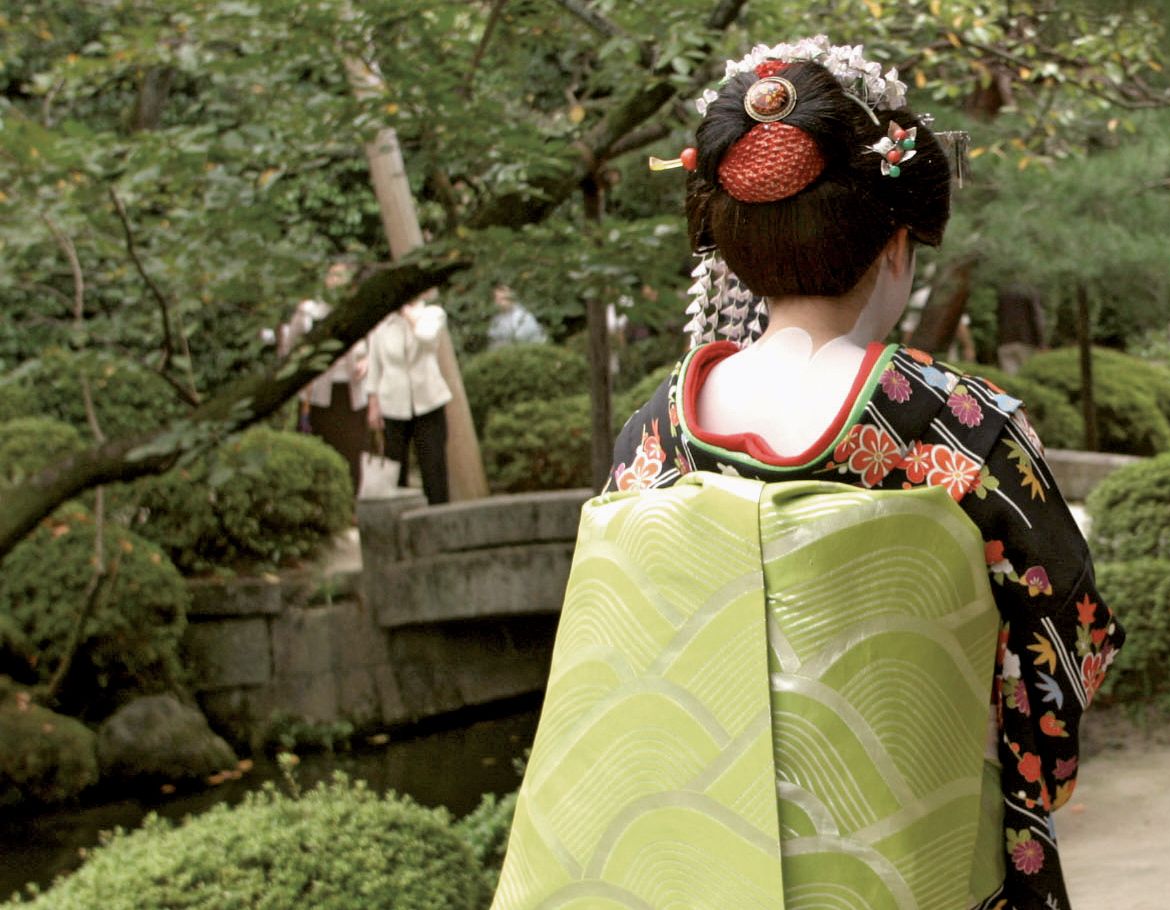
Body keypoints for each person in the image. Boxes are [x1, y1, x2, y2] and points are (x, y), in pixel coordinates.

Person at [492, 37, 1120, 910]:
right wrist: (1026, 773)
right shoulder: (960, 424)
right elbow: (1068, 632)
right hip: (917, 856)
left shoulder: (661, 427)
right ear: (895, 246)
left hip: (699, 859)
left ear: (735, 251)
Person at [277, 262, 370, 493]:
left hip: (350, 390)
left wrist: (367, 361)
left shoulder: (359, 308)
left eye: (343, 276)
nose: (338, 281)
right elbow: (288, 347)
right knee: (319, 447)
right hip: (317, 391)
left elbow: (374, 345)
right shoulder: (309, 311)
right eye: (334, 275)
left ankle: (350, 501)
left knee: (351, 450)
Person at [364, 290, 453, 504]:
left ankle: (438, 512)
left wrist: (408, 314)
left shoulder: (431, 314)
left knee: (433, 465)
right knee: (395, 466)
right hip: (393, 403)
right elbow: (375, 365)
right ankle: (399, 515)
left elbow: (426, 337)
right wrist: (373, 404)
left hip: (428, 401)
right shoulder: (382, 324)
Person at [486, 284, 546, 350]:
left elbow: (521, 339)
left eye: (503, 298)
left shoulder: (523, 316)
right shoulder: (496, 319)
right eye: (497, 299)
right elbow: (492, 340)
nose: (499, 302)